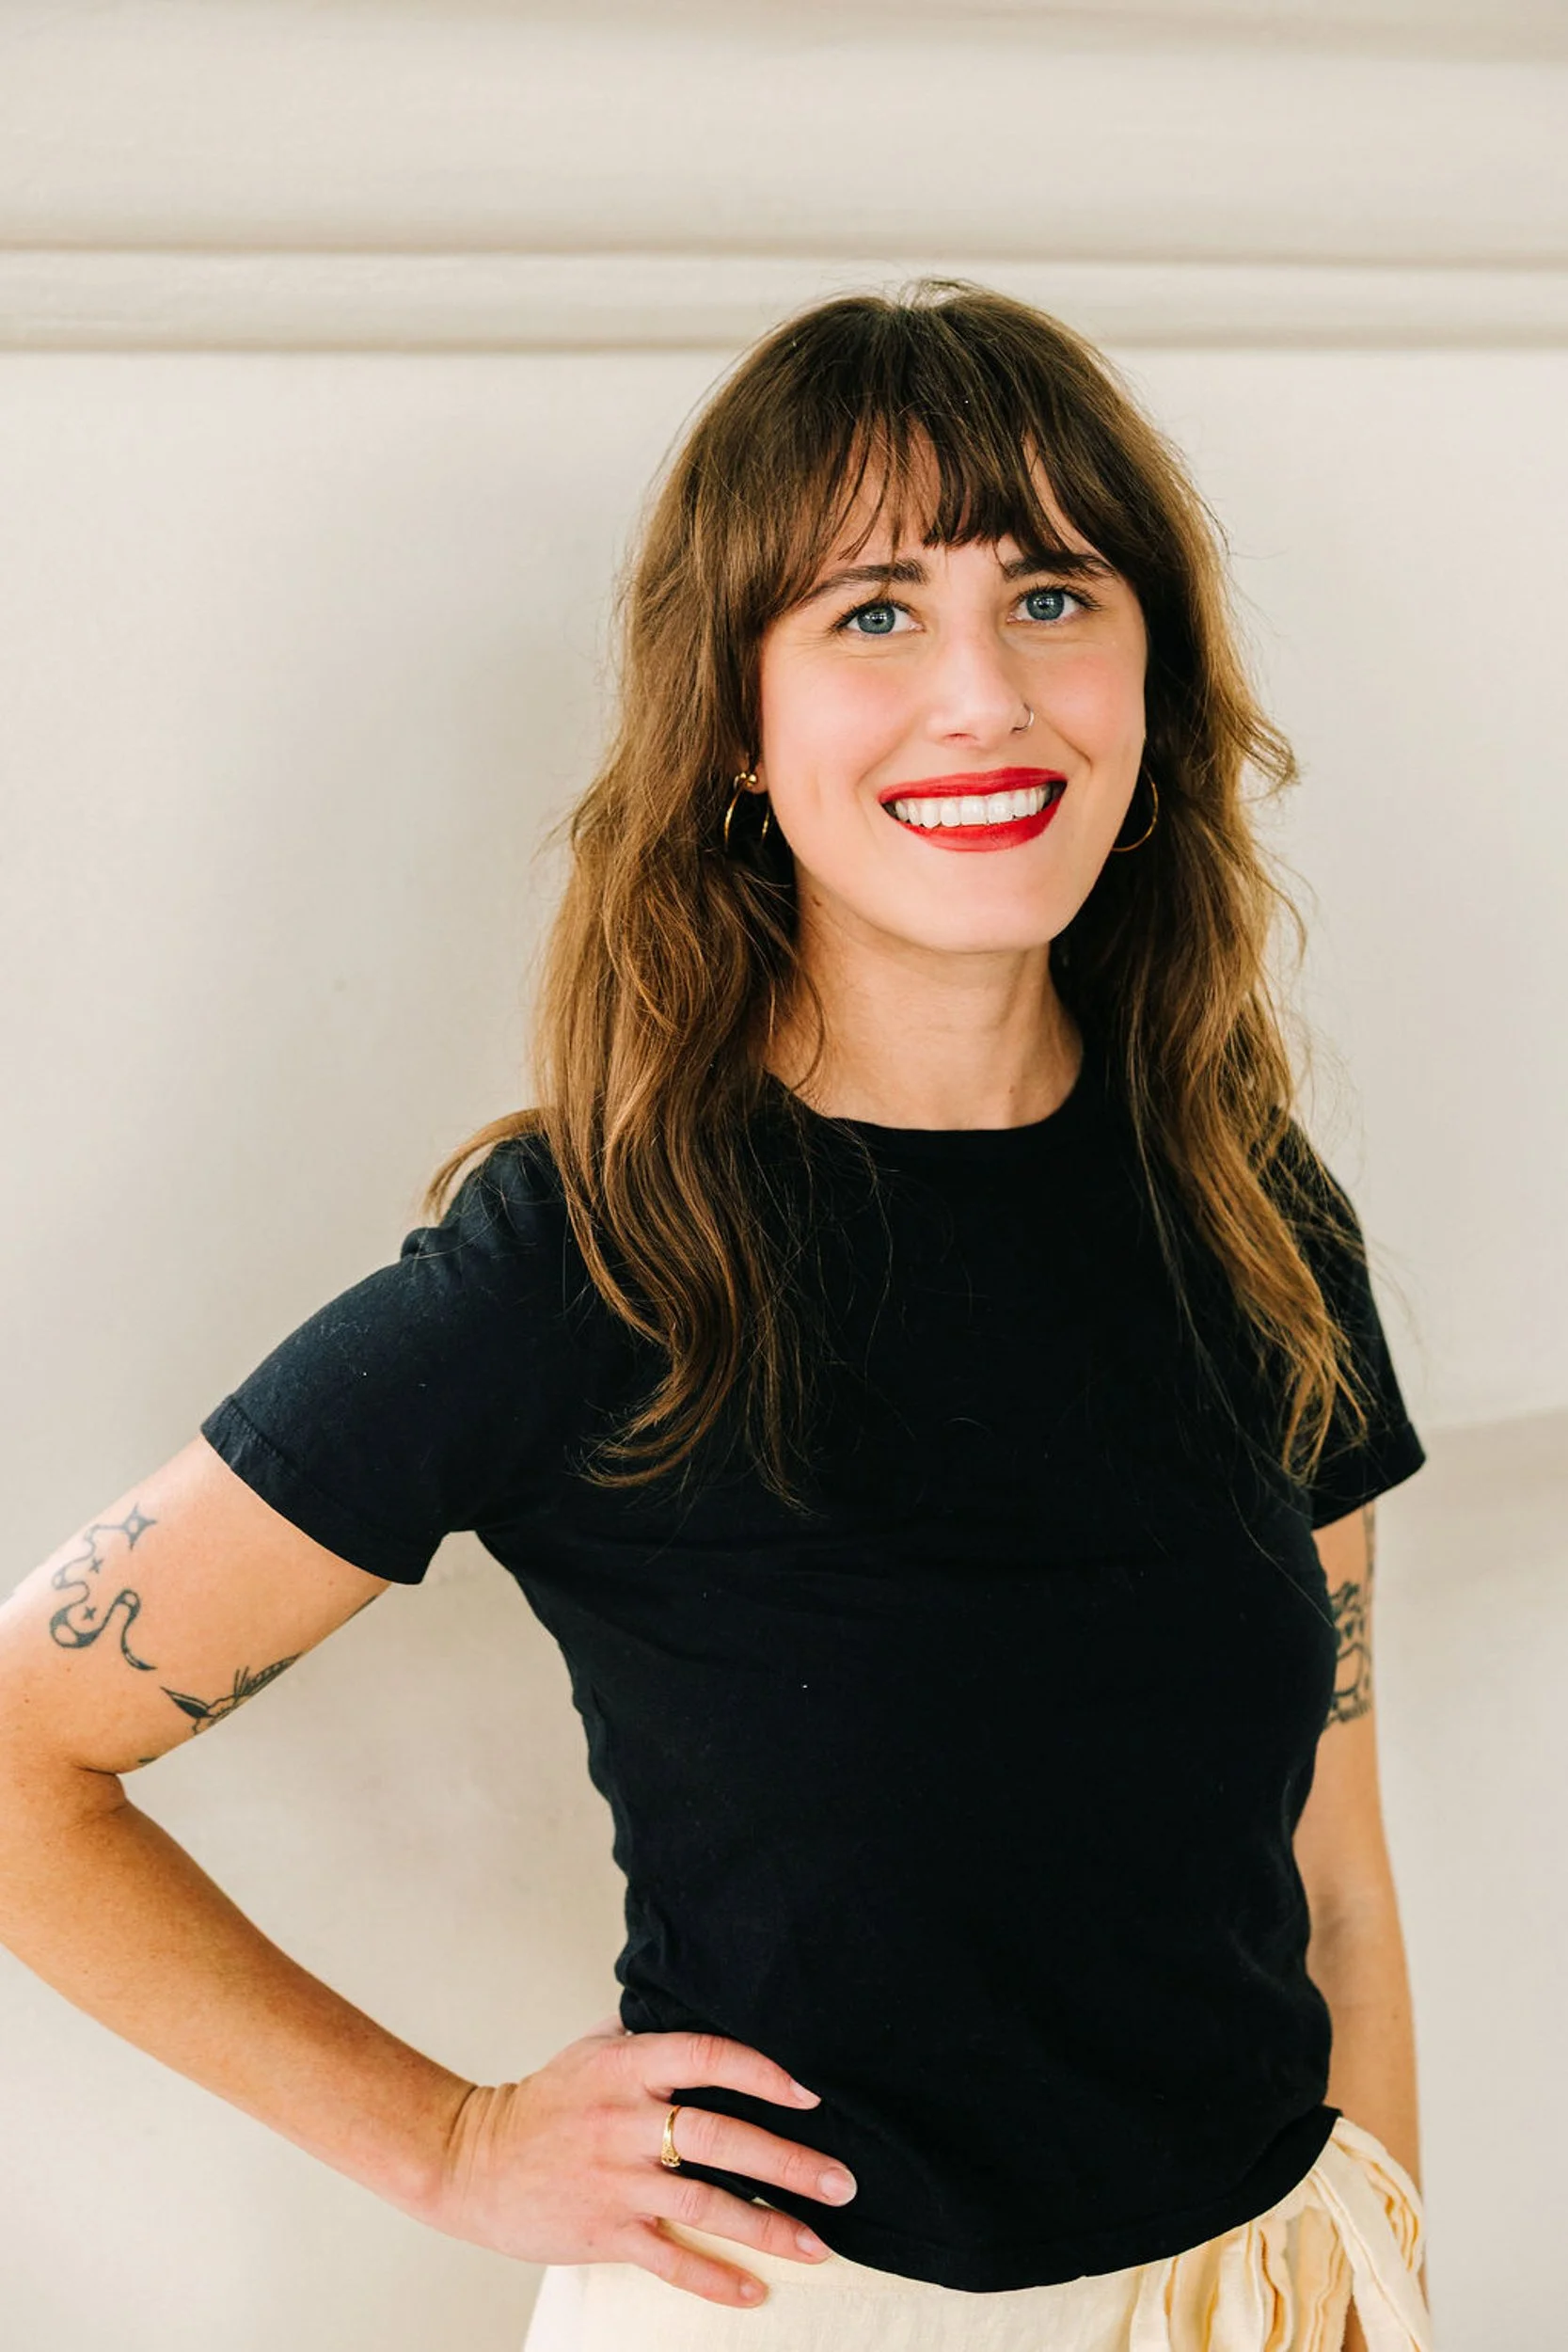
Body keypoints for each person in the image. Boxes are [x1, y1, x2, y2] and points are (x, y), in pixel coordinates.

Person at [0, 279, 1434, 2352]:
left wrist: (1386, 2255)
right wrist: (450, 2140)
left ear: (1153, 676)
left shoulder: (1247, 1201)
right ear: (739, 733)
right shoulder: (601, 1253)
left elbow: (1338, 1884)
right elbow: (24, 1753)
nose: (982, 695)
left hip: (1266, 2292)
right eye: (870, 612)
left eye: (1051, 595)